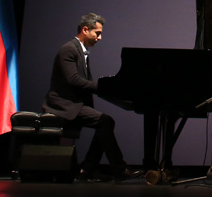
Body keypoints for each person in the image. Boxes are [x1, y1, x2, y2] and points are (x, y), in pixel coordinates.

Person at [43, 13, 141, 181]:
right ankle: (117, 168)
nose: (100, 37)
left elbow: (83, 83)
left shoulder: (80, 50)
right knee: (105, 122)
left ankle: (88, 169)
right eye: (97, 33)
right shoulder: (69, 49)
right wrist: (104, 87)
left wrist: (108, 91)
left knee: (105, 123)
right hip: (62, 105)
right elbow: (73, 80)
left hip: (74, 104)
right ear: (85, 30)